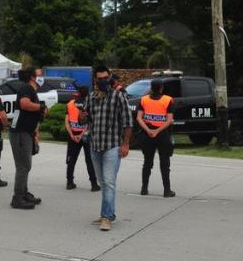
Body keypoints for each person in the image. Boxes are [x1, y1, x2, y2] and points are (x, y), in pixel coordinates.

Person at [86, 66, 133, 231]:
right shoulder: (91, 97)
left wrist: (126, 144)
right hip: (95, 145)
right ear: (95, 80)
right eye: (100, 78)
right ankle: (107, 213)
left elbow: (128, 122)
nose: (104, 81)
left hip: (112, 146)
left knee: (109, 182)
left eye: (106, 77)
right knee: (103, 183)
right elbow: (86, 118)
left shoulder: (119, 97)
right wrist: (81, 116)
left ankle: (107, 218)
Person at [9, 67, 45, 210]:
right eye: (40, 74)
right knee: (24, 166)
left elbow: (34, 113)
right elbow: (24, 104)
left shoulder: (32, 91)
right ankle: (18, 197)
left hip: (26, 133)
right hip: (20, 133)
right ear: (32, 77)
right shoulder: (26, 89)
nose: (42, 76)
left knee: (24, 166)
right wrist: (41, 107)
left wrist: (41, 110)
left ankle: (23, 193)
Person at [135, 78, 175, 198]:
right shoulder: (168, 100)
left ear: (151, 88)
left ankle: (144, 189)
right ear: (161, 88)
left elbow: (138, 118)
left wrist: (149, 130)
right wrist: (157, 131)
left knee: (147, 162)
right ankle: (167, 191)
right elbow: (169, 120)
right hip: (162, 134)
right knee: (165, 163)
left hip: (147, 134)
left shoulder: (143, 100)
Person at [64, 86, 98, 192]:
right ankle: (94, 184)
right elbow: (90, 123)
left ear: (78, 93)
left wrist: (72, 135)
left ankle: (69, 182)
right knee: (89, 160)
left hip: (73, 134)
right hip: (86, 135)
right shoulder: (90, 104)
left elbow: (66, 121)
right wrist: (82, 134)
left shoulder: (70, 104)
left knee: (71, 160)